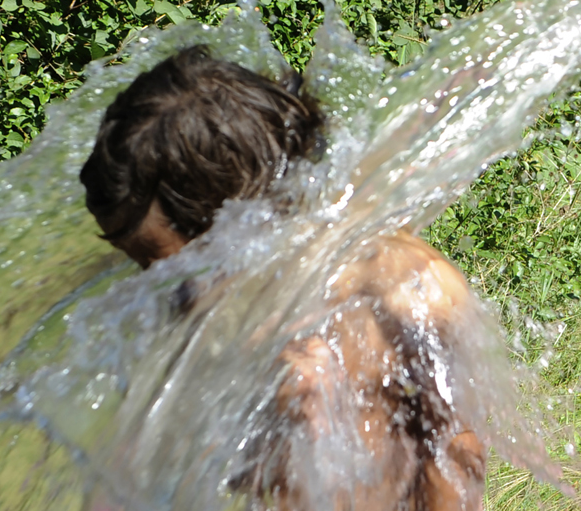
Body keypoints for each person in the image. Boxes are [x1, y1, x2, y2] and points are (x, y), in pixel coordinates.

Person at [80, 45, 486, 511]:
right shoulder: (202, 284)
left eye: (157, 260)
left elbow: (456, 452)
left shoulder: (407, 289)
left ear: (238, 219)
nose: (151, 281)